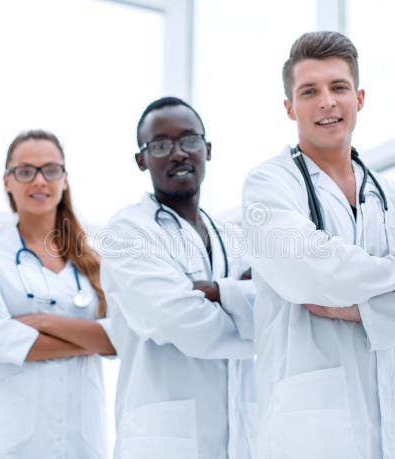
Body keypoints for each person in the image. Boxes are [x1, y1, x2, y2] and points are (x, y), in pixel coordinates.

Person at [242, 31, 395, 458]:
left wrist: (360, 309)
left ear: (360, 97)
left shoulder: (394, 196)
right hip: (312, 428)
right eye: (309, 91)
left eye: (338, 87)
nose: (326, 102)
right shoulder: (268, 185)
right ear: (289, 106)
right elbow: (308, 270)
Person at [99, 97, 256, 459]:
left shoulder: (234, 239)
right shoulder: (128, 232)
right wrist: (246, 302)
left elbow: (278, 308)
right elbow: (184, 323)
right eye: (160, 144)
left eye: (189, 140)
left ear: (208, 149)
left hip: (242, 438)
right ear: (141, 159)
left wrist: (218, 291)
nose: (178, 153)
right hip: (164, 442)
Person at [0, 129, 113, 458]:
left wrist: (40, 321)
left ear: (64, 179)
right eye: (25, 171)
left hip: (80, 437)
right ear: (7, 181)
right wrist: (89, 340)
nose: (39, 181)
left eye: (50, 170)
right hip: (6, 435)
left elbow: (119, 339)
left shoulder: (93, 262)